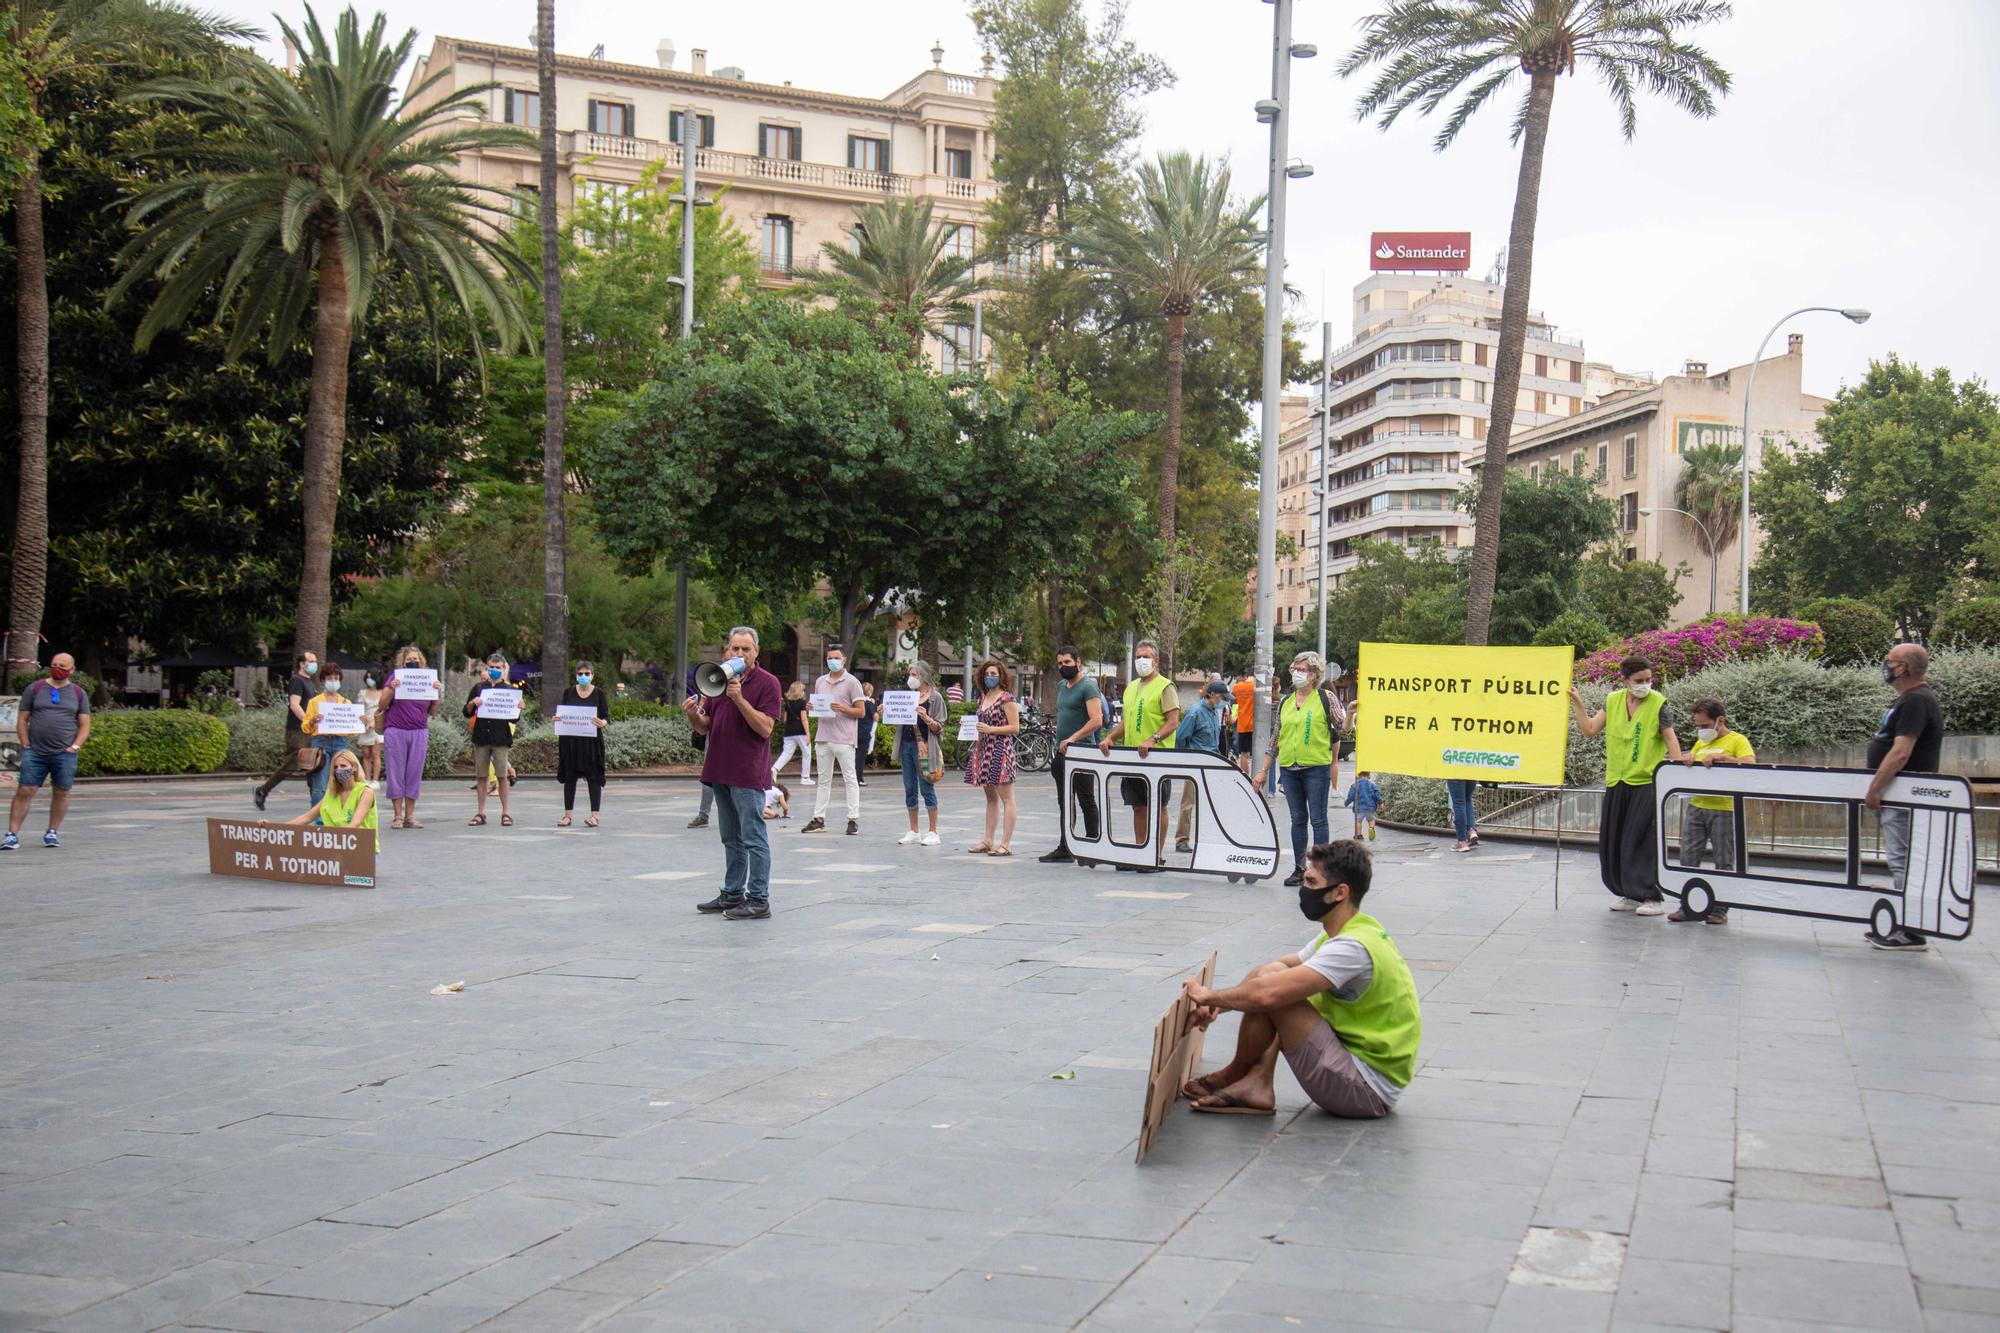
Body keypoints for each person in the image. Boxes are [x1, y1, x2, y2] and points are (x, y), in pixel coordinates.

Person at [1181, 839, 1420, 1118]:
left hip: (1365, 1088)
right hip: (1355, 1067)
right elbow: (1278, 967)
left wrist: (1208, 996)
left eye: (1311, 882)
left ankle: (1236, 1073)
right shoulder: (1349, 932)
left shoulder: (1351, 948)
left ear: (1339, 892)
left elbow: (1266, 994)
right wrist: (1219, 1007)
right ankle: (1256, 1083)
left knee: (1275, 989)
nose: (1303, 889)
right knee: (1274, 975)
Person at [1570, 656, 1685, 916]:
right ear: (1625, 680)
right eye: (1639, 681)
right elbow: (1589, 729)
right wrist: (1577, 703)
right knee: (1615, 838)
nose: (1645, 685)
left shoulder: (1659, 704)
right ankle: (1627, 892)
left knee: (1640, 840)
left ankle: (1651, 895)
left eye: (1648, 679)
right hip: (1617, 780)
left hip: (1645, 781)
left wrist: (1678, 772)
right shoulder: (1612, 701)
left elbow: (1671, 741)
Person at [682, 626, 783, 920]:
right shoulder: (718, 678)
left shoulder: (768, 683)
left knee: (753, 837)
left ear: (756, 653)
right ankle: (732, 893)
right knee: (730, 837)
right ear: (727, 650)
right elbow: (706, 726)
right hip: (719, 768)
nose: (738, 654)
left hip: (747, 771)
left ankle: (759, 899)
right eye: (734, 649)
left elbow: (765, 728)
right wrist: (693, 714)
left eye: (745, 649)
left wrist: (739, 699)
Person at [1863, 643, 1945, 952]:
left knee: (1903, 861)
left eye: (1891, 661)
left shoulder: (1916, 701)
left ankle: (1911, 931)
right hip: (1899, 795)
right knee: (1901, 859)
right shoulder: (1909, 700)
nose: (1886, 665)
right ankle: (1906, 926)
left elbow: (1900, 752)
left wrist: (1875, 789)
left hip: (1904, 795)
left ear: (1905, 668)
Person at [1256, 651, 1346, 887]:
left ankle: (1321, 869)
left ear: (1314, 674)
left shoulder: (1326, 697)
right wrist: (1263, 770)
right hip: (1289, 768)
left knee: (1318, 819)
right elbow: (1275, 738)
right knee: (1297, 819)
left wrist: (1352, 715)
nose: (1296, 673)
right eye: (1294, 668)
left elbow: (1343, 729)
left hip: (1316, 766)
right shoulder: (1286, 701)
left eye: (1302, 669)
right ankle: (1299, 868)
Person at [1669, 698, 1754, 924]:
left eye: (1705, 726)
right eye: (1697, 726)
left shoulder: (1738, 740)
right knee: (1688, 857)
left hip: (1724, 808)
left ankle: (1720, 909)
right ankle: (1687, 905)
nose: (1701, 730)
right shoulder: (1701, 743)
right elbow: (1694, 758)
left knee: (1723, 859)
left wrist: (1725, 758)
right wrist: (1688, 759)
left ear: (1720, 721)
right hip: (1697, 805)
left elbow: (1751, 764)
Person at [1099, 639, 1180, 872]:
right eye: (1138, 656)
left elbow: (1173, 722)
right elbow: (1128, 719)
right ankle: (1140, 851)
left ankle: (1157, 855)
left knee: (1158, 805)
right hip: (1133, 757)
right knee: (1138, 806)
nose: (1141, 661)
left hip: (1157, 758)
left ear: (1156, 661)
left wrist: (1152, 739)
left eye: (1145, 657)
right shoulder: (1132, 687)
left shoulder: (1166, 686)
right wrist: (1111, 737)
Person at [5, 653, 90, 850]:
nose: (57, 668)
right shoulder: (34, 688)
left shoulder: (78, 693)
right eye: (54, 664)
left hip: (65, 753)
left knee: (62, 792)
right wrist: (25, 743)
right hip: (35, 751)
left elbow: (84, 724)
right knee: (25, 790)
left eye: (62, 665)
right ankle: (12, 834)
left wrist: (75, 746)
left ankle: (52, 832)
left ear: (72, 669)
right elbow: (22, 719)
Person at [1039, 645, 1104, 863]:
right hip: (1062, 751)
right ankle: (1066, 846)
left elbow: (1096, 720)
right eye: (1059, 663)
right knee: (1064, 801)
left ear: (1078, 661)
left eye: (1066, 662)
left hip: (1082, 751)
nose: (1062, 667)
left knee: (1086, 799)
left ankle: (1093, 847)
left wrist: (1073, 738)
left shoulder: (1088, 686)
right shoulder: (1061, 686)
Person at [802, 644, 864, 836]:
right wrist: (811, 707)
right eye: (829, 658)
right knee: (823, 779)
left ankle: (853, 819)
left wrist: (843, 709)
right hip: (823, 736)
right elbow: (818, 706)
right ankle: (818, 818)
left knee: (850, 778)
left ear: (844, 660)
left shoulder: (852, 682)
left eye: (836, 657)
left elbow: (861, 711)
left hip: (844, 737)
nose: (832, 661)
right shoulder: (821, 681)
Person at [378, 645, 439, 830]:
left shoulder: (428, 679)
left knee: (414, 773)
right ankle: (397, 816)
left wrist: (437, 693)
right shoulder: (396, 677)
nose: (413, 662)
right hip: (396, 730)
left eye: (416, 659)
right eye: (409, 660)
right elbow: (382, 704)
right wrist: (391, 688)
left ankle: (410, 816)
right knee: (396, 773)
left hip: (419, 731)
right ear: (402, 663)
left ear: (421, 662)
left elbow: (433, 711)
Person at [269, 747, 378, 850]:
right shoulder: (331, 794)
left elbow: (355, 823)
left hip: (363, 850)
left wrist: (333, 840)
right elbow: (306, 818)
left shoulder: (365, 792)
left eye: (343, 766)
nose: (339, 770)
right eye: (336, 767)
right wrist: (275, 829)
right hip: (337, 849)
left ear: (354, 767)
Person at [964, 658, 1021, 855]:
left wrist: (992, 729)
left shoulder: (1006, 699)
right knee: (990, 797)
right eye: (987, 674)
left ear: (1001, 676)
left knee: (1007, 798)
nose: (990, 677)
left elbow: (1015, 727)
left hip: (1000, 749)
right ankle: (988, 840)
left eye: (994, 674)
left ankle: (1005, 843)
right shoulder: (983, 697)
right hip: (984, 749)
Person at [1171, 679, 1231, 853]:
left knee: (1211, 802)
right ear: (1212, 695)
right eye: (1222, 697)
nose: (1224, 701)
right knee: (1188, 803)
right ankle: (1182, 839)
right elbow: (1181, 738)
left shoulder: (1214, 712)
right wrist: (1186, 760)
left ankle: (1208, 837)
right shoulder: (1195, 713)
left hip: (1212, 762)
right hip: (1195, 762)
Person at [253, 651, 318, 810]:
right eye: (311, 660)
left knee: (313, 765)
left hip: (308, 730)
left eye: (315, 660)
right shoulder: (297, 680)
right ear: (302, 664)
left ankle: (316, 802)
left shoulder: (310, 682)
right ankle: (262, 790)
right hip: (297, 730)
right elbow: (294, 704)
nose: (314, 663)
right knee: (291, 764)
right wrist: (307, 721)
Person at [464, 652, 518, 827]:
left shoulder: (510, 691)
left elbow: (514, 718)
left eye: (498, 668)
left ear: (503, 670)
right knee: (481, 776)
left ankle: (506, 813)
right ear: (487, 668)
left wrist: (519, 708)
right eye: (491, 667)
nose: (494, 670)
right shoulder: (479, 687)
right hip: (481, 736)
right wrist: (473, 703)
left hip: (500, 737)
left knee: (502, 776)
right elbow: (466, 711)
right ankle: (480, 813)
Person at [556, 660, 611, 828]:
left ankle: (594, 815)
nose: (584, 676)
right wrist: (557, 719)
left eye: (587, 674)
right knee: (570, 778)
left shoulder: (599, 694)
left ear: (592, 675)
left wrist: (602, 723)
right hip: (571, 742)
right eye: (580, 674)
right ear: (576, 675)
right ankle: (567, 815)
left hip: (591, 742)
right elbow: (563, 714)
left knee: (593, 778)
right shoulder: (569, 692)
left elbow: (605, 717)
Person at [898, 660, 946, 846]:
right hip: (907, 746)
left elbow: (939, 726)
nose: (911, 678)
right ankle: (914, 830)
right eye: (910, 674)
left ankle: (933, 831)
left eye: (914, 675)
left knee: (927, 786)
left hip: (926, 747)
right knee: (910, 787)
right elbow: (898, 717)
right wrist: (887, 711)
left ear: (924, 676)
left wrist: (927, 718)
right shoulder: (907, 696)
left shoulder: (935, 698)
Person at [299, 662, 356, 808]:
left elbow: (353, 731)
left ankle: (343, 813)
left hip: (340, 742)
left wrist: (361, 722)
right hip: (321, 742)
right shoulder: (314, 702)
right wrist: (312, 720)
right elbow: (305, 728)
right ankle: (319, 820)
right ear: (323, 680)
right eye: (330, 678)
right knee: (320, 784)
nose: (333, 681)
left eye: (336, 678)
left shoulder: (346, 703)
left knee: (344, 781)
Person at [772, 681, 813, 786]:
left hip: (789, 731)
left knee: (786, 753)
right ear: (800, 691)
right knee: (806, 754)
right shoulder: (802, 703)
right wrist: (808, 734)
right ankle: (805, 777)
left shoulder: (788, 703)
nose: (804, 692)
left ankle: (775, 769)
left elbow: (785, 719)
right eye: (803, 690)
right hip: (800, 731)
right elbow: (804, 719)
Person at [355, 670, 385, 784]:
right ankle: (367, 779)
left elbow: (384, 710)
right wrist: (363, 719)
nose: (369, 680)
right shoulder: (362, 692)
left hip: (378, 726)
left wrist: (374, 722)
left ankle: (375, 780)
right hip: (365, 726)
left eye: (371, 677)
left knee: (375, 753)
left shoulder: (383, 693)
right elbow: (358, 709)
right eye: (367, 677)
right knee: (366, 753)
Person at [1231, 669, 1258, 776]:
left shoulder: (1238, 687)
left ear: (1246, 674)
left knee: (1244, 755)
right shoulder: (1258, 688)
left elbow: (1234, 704)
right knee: (1259, 754)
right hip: (1257, 726)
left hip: (1243, 724)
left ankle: (1246, 777)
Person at [1345, 771, 1383, 842]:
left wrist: (1346, 803)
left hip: (1359, 808)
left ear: (1358, 776)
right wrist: (1380, 803)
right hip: (1370, 808)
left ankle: (1358, 835)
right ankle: (1371, 828)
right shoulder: (1373, 785)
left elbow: (1350, 796)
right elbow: (1377, 795)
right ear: (1369, 776)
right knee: (1371, 819)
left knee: (1358, 821)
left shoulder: (1354, 786)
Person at [855, 681, 878, 787]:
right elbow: (875, 717)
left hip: (854, 732)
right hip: (865, 733)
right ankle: (859, 778)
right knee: (860, 757)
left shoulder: (856, 702)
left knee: (852, 756)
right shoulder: (870, 704)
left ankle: (852, 777)